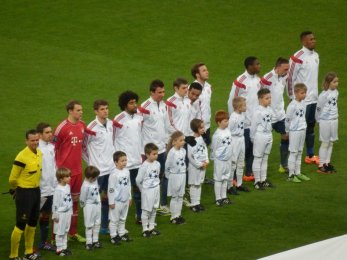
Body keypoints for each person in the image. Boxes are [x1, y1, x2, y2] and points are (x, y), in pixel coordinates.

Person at [53, 100, 95, 242]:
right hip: (64, 173)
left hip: (77, 171)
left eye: (81, 110)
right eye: (78, 110)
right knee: (60, 204)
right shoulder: (62, 128)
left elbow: (92, 136)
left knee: (75, 202)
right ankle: (55, 236)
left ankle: (72, 232)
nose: (81, 112)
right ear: (70, 111)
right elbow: (52, 148)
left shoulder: (82, 125)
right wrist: (56, 169)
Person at [83, 99, 116, 234]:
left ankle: (104, 226)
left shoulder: (111, 124)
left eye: (107, 108)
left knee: (108, 199)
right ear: (96, 111)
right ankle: (91, 228)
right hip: (98, 171)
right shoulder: (91, 128)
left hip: (111, 168)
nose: (105, 111)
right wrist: (91, 163)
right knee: (94, 201)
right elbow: (82, 147)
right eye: (102, 109)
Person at [9, 129, 42, 260]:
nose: (35, 142)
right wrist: (16, 189)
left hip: (36, 191)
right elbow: (12, 178)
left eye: (36, 140)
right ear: (26, 141)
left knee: (33, 222)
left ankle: (28, 252)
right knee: (21, 223)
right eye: (32, 140)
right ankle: (14, 255)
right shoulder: (21, 156)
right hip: (24, 193)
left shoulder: (39, 153)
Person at [287, 31, 320, 165]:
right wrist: (291, 96)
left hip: (313, 99)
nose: (314, 41)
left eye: (314, 39)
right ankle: (292, 156)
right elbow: (290, 79)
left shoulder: (316, 55)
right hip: (301, 101)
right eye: (311, 39)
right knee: (298, 128)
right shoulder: (297, 58)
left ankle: (310, 155)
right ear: (303, 41)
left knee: (311, 127)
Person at [227, 57, 261, 182]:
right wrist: (235, 119)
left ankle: (248, 172)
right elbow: (232, 101)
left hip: (255, 122)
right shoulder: (240, 81)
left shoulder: (258, 80)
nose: (259, 66)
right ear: (250, 66)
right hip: (243, 123)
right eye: (257, 64)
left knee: (253, 148)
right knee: (241, 150)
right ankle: (234, 177)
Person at [139, 80, 170, 215]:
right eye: (159, 92)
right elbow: (138, 128)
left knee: (162, 176)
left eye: (163, 92)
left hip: (162, 149)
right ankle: (147, 206)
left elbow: (166, 125)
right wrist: (142, 150)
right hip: (150, 151)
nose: (162, 95)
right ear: (152, 92)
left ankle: (161, 204)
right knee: (149, 179)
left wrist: (169, 141)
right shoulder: (144, 108)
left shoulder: (164, 105)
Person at [113, 91, 143, 223]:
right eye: (131, 103)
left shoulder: (139, 117)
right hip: (124, 165)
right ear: (124, 105)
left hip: (137, 162)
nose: (134, 105)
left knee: (138, 191)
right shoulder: (118, 120)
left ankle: (140, 215)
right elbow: (112, 140)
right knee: (121, 193)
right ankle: (117, 220)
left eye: (135, 102)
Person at [260, 58, 290, 173]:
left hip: (281, 115)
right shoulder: (267, 79)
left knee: (286, 136)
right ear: (277, 68)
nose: (287, 71)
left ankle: (283, 165)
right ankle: (258, 168)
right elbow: (259, 96)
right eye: (285, 69)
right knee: (264, 142)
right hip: (269, 116)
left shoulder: (284, 77)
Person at [36, 122, 57, 252]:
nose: (50, 134)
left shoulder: (51, 147)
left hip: (51, 189)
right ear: (39, 135)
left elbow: (54, 167)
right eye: (47, 132)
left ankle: (43, 242)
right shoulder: (36, 149)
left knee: (45, 216)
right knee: (32, 217)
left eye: (51, 132)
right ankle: (29, 246)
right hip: (40, 190)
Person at [285, 84, 311, 183]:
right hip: (294, 131)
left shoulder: (303, 103)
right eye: (302, 93)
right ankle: (291, 175)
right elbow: (287, 120)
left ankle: (298, 172)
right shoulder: (292, 105)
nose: (304, 95)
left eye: (305, 93)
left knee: (300, 151)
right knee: (293, 152)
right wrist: (287, 131)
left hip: (302, 129)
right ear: (295, 93)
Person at [250, 89, 274, 190]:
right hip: (260, 136)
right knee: (258, 158)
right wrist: (252, 137)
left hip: (269, 135)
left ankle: (263, 180)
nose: (269, 100)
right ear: (260, 99)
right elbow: (253, 126)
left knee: (265, 158)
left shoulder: (270, 110)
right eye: (267, 98)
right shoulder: (257, 111)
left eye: (270, 98)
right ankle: (257, 181)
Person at [136, 143, 161, 237]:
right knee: (146, 210)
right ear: (147, 154)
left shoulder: (158, 164)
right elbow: (138, 180)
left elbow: (157, 176)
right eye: (153, 154)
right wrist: (143, 190)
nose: (156, 156)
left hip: (156, 189)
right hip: (147, 190)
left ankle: (151, 227)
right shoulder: (144, 166)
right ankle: (145, 229)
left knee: (154, 209)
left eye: (156, 154)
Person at [316, 72, 339, 173]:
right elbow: (318, 109)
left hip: (334, 120)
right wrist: (318, 120)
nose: (336, 83)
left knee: (331, 142)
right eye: (334, 82)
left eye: (337, 81)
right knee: (325, 143)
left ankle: (327, 163)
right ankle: (321, 165)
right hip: (325, 121)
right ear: (329, 82)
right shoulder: (323, 95)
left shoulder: (336, 92)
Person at [108, 151, 133, 245]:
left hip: (125, 200)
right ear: (116, 162)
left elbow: (129, 185)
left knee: (123, 218)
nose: (125, 162)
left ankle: (122, 233)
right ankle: (113, 236)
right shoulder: (113, 174)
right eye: (122, 161)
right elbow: (111, 189)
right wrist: (111, 201)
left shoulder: (127, 171)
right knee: (114, 219)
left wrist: (129, 197)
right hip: (116, 201)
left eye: (125, 160)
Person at [227, 97, 250, 194]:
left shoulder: (242, 115)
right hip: (234, 140)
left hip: (241, 139)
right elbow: (228, 131)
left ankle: (239, 184)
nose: (246, 107)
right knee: (233, 164)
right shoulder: (233, 117)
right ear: (238, 107)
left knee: (241, 162)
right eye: (244, 105)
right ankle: (229, 186)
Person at [211, 111, 233, 206]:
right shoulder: (217, 134)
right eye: (225, 121)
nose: (227, 122)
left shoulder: (228, 131)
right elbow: (214, 147)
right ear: (219, 122)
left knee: (225, 178)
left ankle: (224, 197)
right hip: (220, 160)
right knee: (218, 179)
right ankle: (218, 198)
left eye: (227, 120)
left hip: (228, 159)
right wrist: (214, 158)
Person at [187, 119, 209, 212]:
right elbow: (190, 156)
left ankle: (198, 202)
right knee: (194, 185)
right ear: (196, 129)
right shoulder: (191, 140)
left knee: (199, 184)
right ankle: (193, 204)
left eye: (203, 127)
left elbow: (205, 149)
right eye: (201, 128)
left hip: (203, 164)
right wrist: (199, 164)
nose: (203, 129)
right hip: (195, 167)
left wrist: (206, 160)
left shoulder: (202, 138)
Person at [165, 131, 187, 224]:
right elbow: (167, 165)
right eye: (181, 140)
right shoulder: (172, 152)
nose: (183, 142)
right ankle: (173, 217)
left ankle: (178, 214)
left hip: (182, 175)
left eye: (183, 140)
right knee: (175, 196)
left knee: (181, 196)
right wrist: (168, 175)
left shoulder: (183, 151)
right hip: (174, 176)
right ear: (174, 142)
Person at [80, 166, 102, 250]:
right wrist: (84, 207)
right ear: (90, 178)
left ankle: (95, 241)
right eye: (95, 177)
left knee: (97, 222)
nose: (96, 178)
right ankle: (88, 242)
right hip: (89, 206)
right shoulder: (85, 186)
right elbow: (82, 198)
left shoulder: (94, 181)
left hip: (97, 204)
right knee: (89, 224)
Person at [52, 168, 73, 257]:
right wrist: (55, 215)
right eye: (67, 176)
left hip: (67, 213)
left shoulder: (67, 187)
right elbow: (55, 204)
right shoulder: (58, 190)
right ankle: (59, 249)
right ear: (61, 179)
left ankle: (64, 248)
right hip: (60, 214)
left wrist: (70, 211)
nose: (70, 178)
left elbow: (69, 200)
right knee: (59, 232)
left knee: (65, 231)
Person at [191, 63, 212, 145]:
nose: (207, 72)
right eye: (204, 70)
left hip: (207, 126)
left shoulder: (208, 87)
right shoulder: (192, 89)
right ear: (197, 75)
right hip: (197, 127)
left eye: (206, 70)